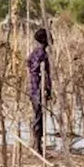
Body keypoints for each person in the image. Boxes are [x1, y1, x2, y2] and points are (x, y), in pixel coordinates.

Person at [28, 27, 53, 155]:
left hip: (33, 89)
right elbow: (43, 73)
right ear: (45, 40)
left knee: (38, 117)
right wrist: (47, 89)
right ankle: (37, 147)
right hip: (38, 89)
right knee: (38, 118)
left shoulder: (34, 53)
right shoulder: (42, 55)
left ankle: (37, 145)